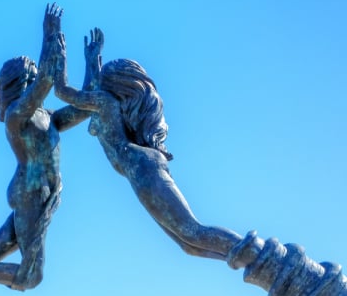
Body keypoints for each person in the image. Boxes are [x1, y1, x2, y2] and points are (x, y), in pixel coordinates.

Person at [52, 25, 240, 262]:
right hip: (142, 166)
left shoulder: (105, 103)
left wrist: (58, 52)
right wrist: (93, 60)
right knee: (188, 245)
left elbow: (62, 91)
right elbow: (92, 88)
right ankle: (244, 261)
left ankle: (257, 253)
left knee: (192, 231)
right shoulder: (109, 105)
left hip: (142, 166)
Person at [0, 4, 90, 291]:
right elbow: (45, 82)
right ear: (22, 82)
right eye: (30, 78)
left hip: (40, 194)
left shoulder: (48, 116)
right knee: (31, 275)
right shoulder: (18, 115)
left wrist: (93, 64)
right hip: (29, 193)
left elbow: (83, 109)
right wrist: (49, 34)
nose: (34, 82)